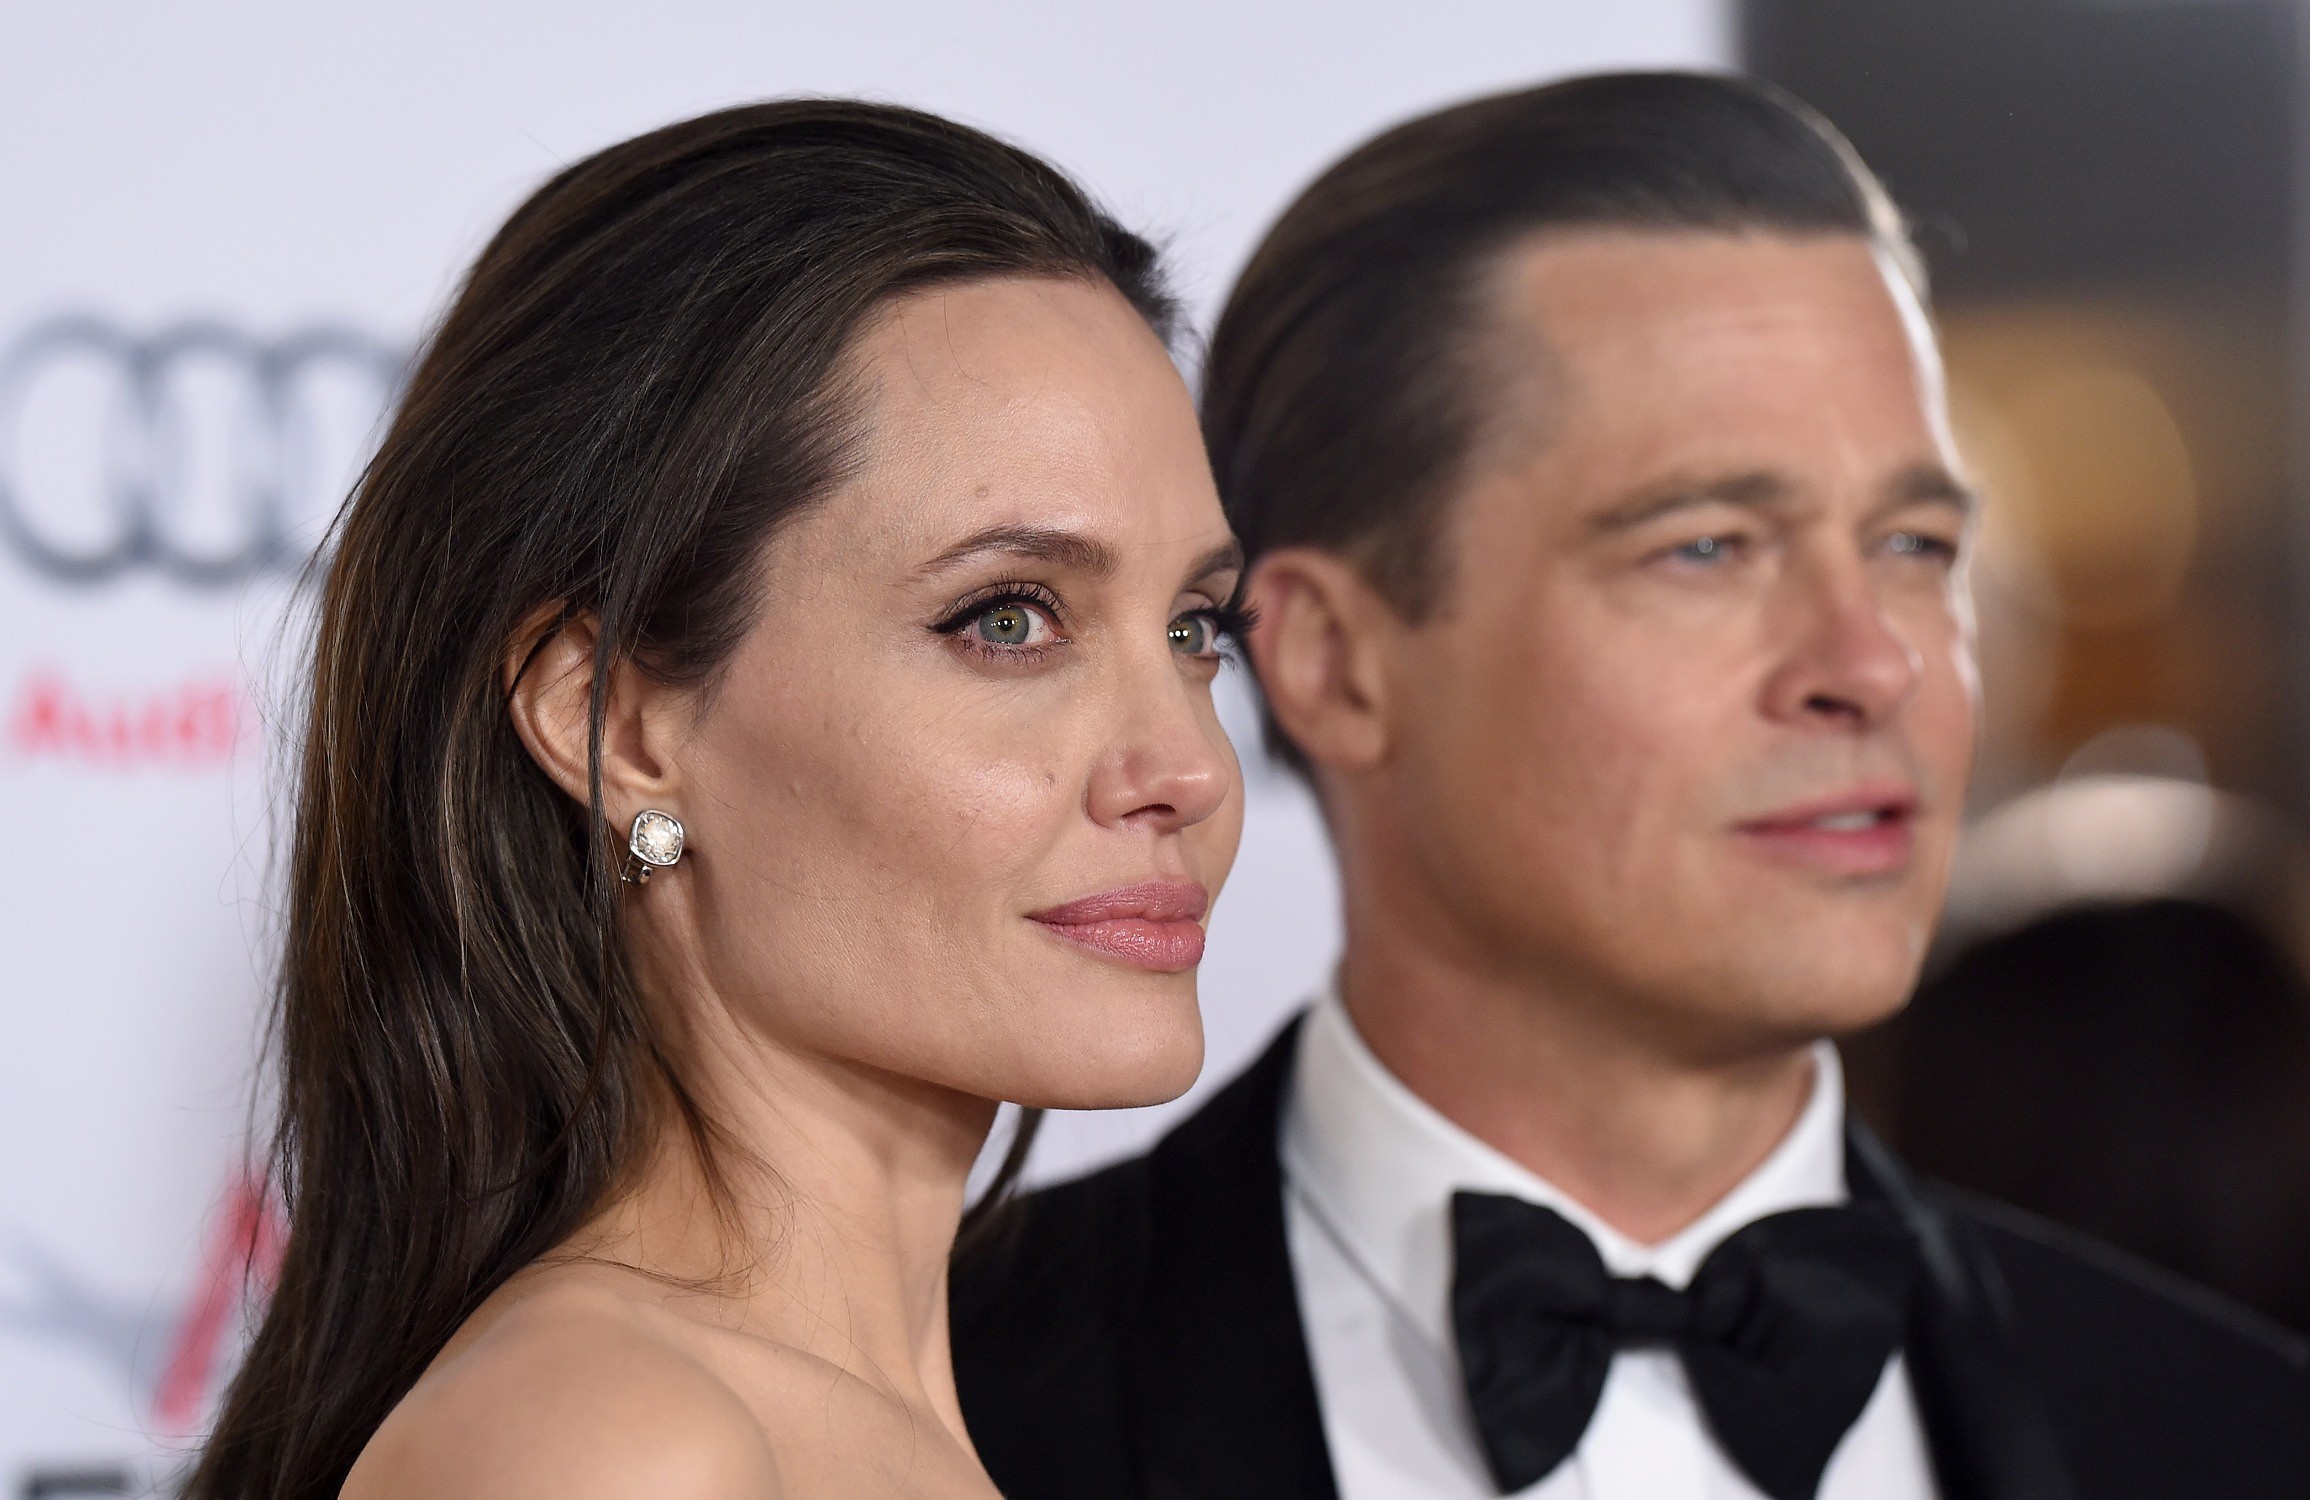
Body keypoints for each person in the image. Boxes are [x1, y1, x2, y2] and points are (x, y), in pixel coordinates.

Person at [951, 72, 2310, 1500]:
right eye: (1706, 547)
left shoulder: (2244, 1439)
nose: (1872, 664)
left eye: (1913, 546)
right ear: (1335, 663)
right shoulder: (945, 1413)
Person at [187, 101, 1248, 1500]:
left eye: (1194, 629)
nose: (1188, 769)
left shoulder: (842, 1421)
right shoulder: (614, 1448)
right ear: (613, 722)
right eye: (1007, 620)